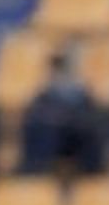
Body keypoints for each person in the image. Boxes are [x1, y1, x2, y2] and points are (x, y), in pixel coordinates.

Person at [20, 50, 104, 178]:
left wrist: (68, 119)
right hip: (53, 138)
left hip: (75, 137)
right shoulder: (45, 93)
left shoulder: (80, 91)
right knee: (37, 128)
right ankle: (36, 171)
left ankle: (92, 172)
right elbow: (36, 114)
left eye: (60, 69)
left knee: (89, 131)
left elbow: (89, 114)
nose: (57, 74)